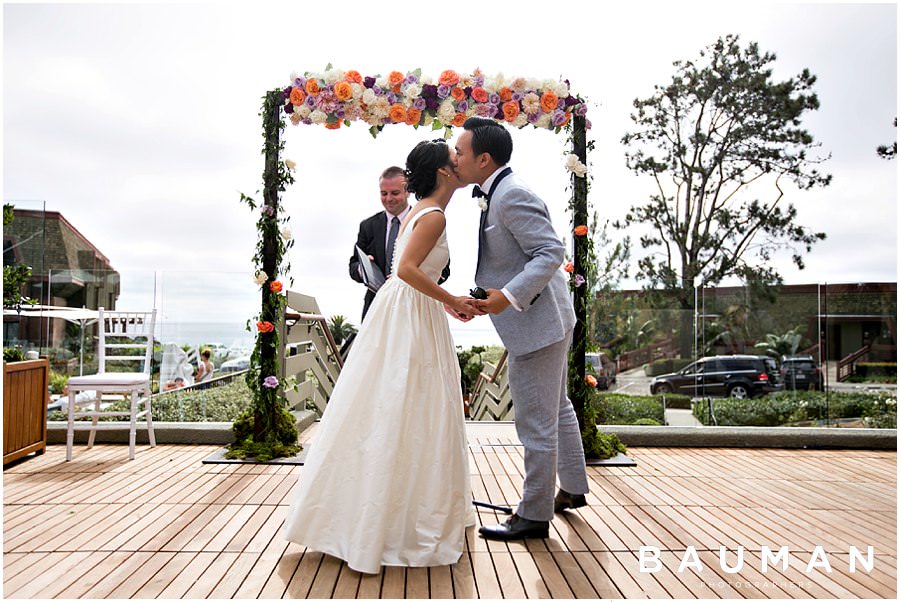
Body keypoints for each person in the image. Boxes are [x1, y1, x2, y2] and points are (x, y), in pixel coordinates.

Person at [283, 139, 479, 574]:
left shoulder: (418, 212)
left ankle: (378, 513)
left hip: (410, 311)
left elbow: (413, 272)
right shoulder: (432, 214)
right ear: (445, 172)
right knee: (412, 408)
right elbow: (407, 270)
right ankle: (396, 519)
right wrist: (452, 298)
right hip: (410, 314)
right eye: (455, 159)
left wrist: (444, 303)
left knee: (399, 408)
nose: (461, 163)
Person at [451, 117, 590, 541]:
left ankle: (532, 515)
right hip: (545, 318)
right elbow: (514, 259)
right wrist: (489, 296)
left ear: (484, 159)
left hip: (538, 324)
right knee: (558, 406)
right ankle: (573, 487)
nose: (454, 157)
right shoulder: (499, 193)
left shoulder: (509, 195)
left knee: (535, 422)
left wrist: (506, 298)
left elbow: (550, 251)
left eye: (460, 151)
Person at [348, 166, 450, 322]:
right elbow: (353, 266)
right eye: (384, 193)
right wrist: (364, 269)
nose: (389, 198)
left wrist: (411, 280)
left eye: (395, 193)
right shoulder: (367, 226)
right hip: (375, 307)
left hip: (415, 307)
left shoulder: (425, 220)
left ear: (408, 191)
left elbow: (444, 270)